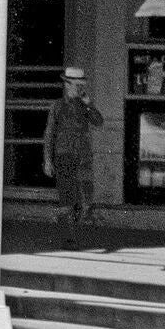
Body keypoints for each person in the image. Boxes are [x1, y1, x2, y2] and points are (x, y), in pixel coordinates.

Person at [43, 67, 104, 237]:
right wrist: (47, 160)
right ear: (67, 85)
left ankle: (74, 230)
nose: (78, 89)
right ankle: (68, 236)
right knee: (66, 196)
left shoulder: (84, 106)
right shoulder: (58, 106)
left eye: (80, 85)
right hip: (63, 155)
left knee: (80, 197)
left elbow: (99, 121)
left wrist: (88, 103)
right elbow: (49, 134)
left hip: (82, 156)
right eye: (75, 85)